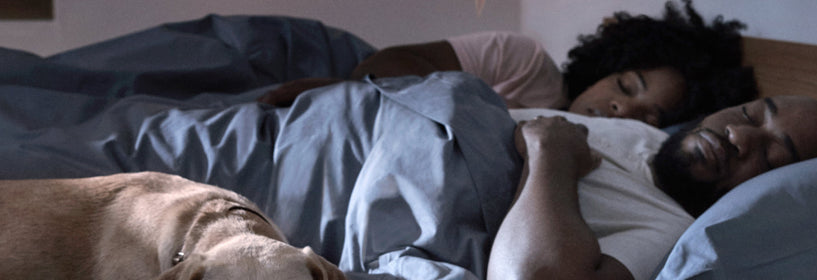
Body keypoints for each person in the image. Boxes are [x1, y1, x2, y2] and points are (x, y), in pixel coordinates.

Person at [487, 95, 817, 280]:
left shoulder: (675, 241)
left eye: (772, 156)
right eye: (749, 114)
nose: (739, 135)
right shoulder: (649, 136)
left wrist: (549, 151)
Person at [258, 0, 756, 128]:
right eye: (626, 86)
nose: (621, 110)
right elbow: (392, 62)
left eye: (648, 116)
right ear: (608, 66)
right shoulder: (526, 63)